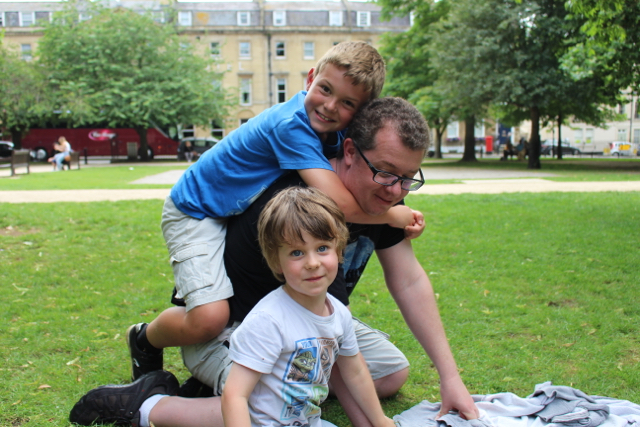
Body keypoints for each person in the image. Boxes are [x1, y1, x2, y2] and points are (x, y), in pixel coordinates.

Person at [68, 97, 479, 427]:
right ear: (351, 151)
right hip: (232, 329)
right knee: (280, 404)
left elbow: (408, 281)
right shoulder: (299, 208)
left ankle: (223, 390)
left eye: (408, 178)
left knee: (390, 373)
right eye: (386, 173)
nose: (396, 191)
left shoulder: (382, 204)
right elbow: (331, 354)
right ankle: (150, 405)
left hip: (307, 318)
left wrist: (450, 378)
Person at [125, 41, 417, 383]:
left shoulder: (332, 132)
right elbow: (338, 203)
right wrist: (391, 216)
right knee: (209, 317)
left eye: (348, 103)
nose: (330, 106)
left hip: (231, 210)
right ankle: (145, 339)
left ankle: (239, 353)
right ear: (310, 78)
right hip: (196, 209)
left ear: (360, 111)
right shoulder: (290, 125)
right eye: (325, 89)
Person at [221, 186, 395, 427]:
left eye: (322, 248)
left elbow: (356, 373)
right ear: (276, 261)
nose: (312, 263)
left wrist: (380, 420)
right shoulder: (268, 320)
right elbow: (235, 395)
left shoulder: (339, 314)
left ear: (339, 250)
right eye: (296, 252)